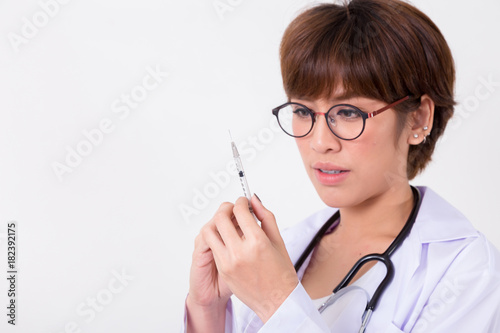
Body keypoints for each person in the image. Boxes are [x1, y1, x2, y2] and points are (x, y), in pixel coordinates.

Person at [182, 0, 500, 332]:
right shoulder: (285, 250)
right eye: (303, 111)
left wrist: (276, 302)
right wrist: (207, 310)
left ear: (418, 118)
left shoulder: (469, 273)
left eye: (348, 112)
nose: (320, 142)